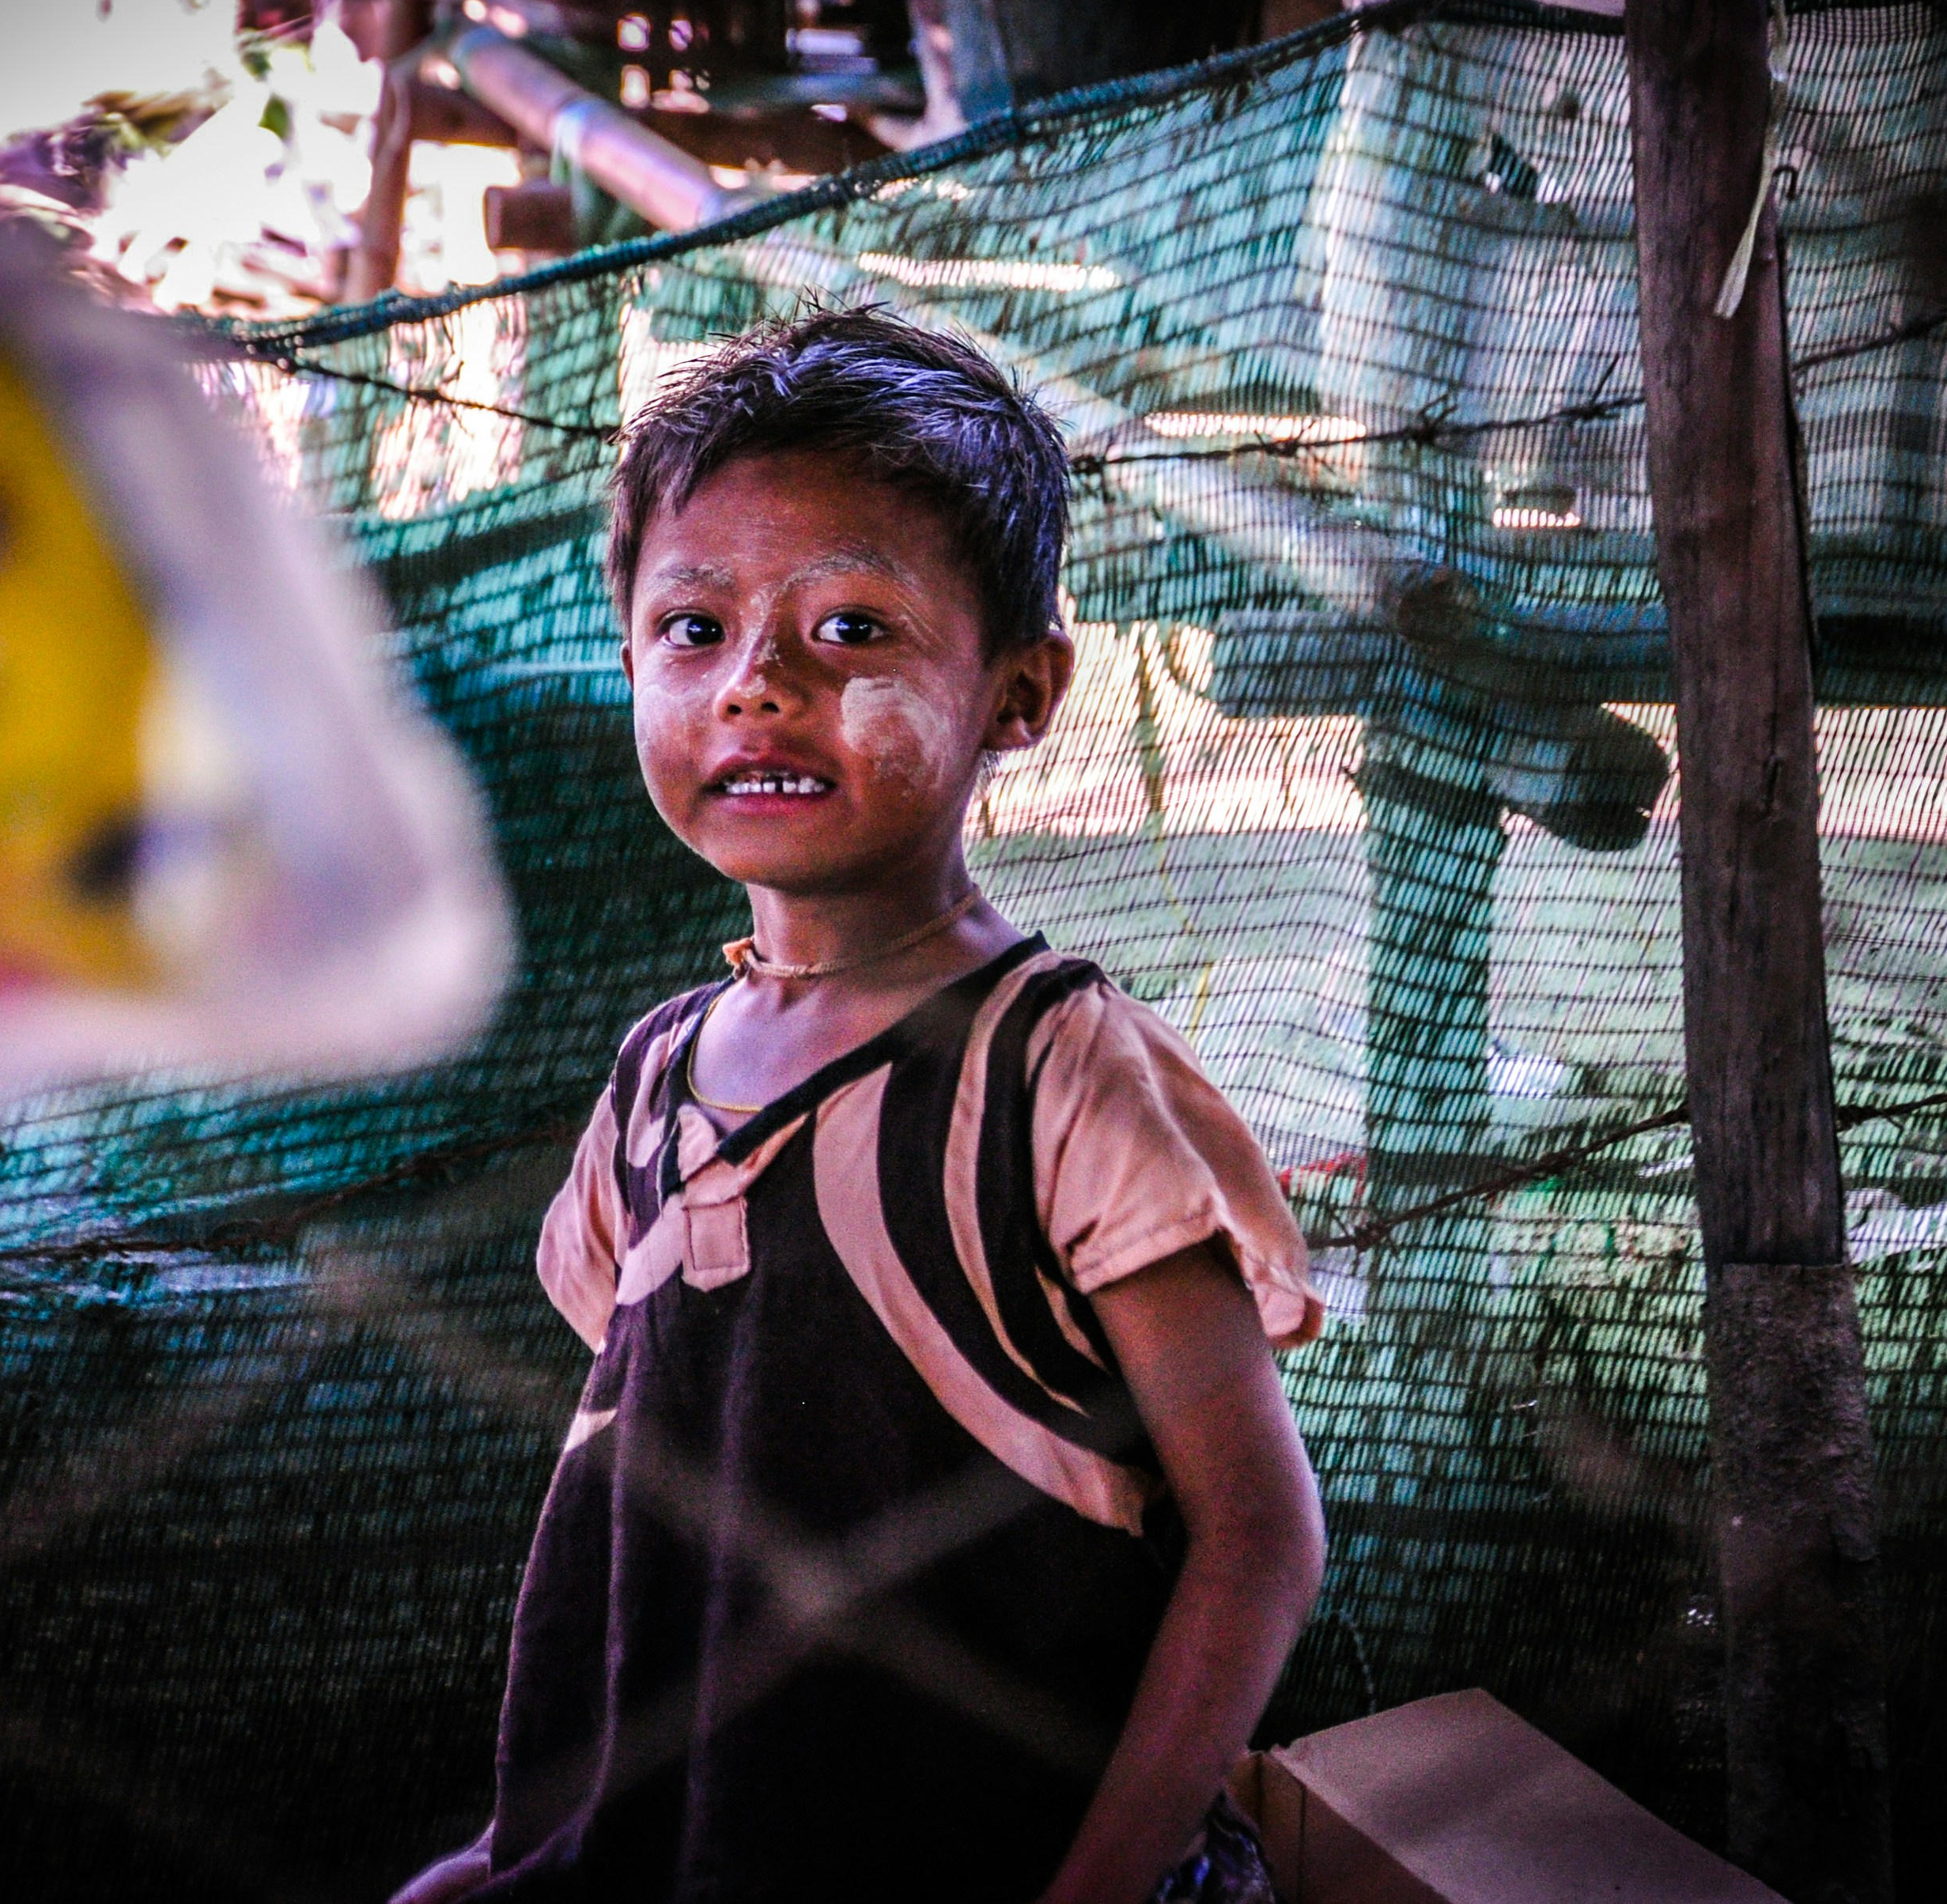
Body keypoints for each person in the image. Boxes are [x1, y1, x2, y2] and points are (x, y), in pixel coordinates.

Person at [393, 308, 1327, 1904]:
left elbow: (1258, 1539)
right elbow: (673, 1516)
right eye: (692, 629)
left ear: (1018, 693)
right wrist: (525, 1844)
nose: (756, 688)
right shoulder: (650, 1080)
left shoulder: (1057, 1071)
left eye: (849, 632)